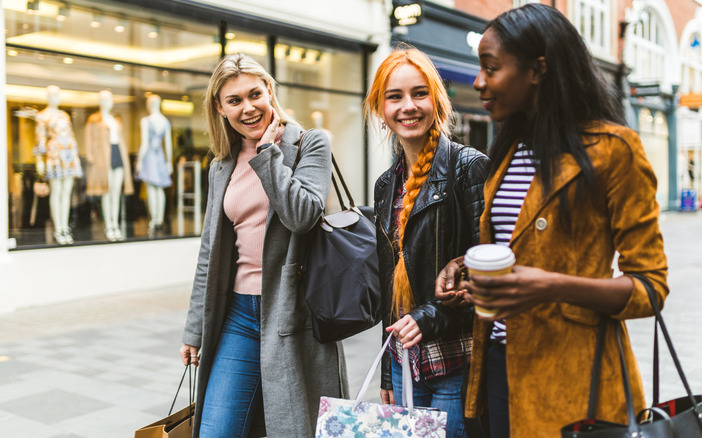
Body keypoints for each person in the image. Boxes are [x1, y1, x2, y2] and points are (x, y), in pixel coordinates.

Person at [435, 5, 669, 437]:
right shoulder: (508, 150)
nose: (479, 81)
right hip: (499, 366)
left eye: (491, 67)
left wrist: (550, 285)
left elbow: (650, 290)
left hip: (576, 377)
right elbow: (521, 242)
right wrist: (464, 263)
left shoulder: (614, 150)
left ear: (538, 70)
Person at [179, 53, 347, 438]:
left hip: (293, 313)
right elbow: (210, 250)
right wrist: (194, 329)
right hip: (238, 315)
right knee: (215, 431)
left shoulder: (310, 144)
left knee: (294, 429)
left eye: (255, 94)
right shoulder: (221, 165)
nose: (248, 107)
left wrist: (268, 155)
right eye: (234, 100)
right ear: (220, 108)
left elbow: (302, 215)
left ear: (270, 91)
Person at [365, 46, 489, 438]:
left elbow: (486, 269)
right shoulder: (386, 185)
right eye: (395, 96)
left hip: (457, 360)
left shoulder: (468, 167)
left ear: (437, 99)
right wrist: (387, 368)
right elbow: (391, 286)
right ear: (380, 108)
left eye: (419, 93)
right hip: (405, 362)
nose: (408, 106)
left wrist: (429, 317)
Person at [34, 85, 83, 245]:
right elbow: (40, 139)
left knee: (66, 193)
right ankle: (58, 228)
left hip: (68, 155)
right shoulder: (42, 116)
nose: (56, 97)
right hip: (54, 156)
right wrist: (39, 161)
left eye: (58, 94)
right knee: (56, 192)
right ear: (47, 96)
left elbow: (71, 136)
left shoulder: (64, 115)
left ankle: (65, 227)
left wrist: (76, 158)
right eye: (53, 94)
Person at [85, 90, 134, 241]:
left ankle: (115, 224)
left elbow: (121, 141)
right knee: (107, 192)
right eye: (104, 99)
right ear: (100, 101)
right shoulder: (94, 120)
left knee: (116, 192)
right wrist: (90, 155)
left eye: (110, 99)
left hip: (117, 154)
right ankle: (108, 225)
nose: (108, 102)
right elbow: (88, 139)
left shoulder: (116, 120)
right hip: (103, 159)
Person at [136, 94, 173, 237]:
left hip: (151, 157)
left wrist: (139, 160)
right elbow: (168, 145)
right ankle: (159, 219)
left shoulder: (146, 121)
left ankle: (154, 220)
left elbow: (145, 143)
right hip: (160, 157)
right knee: (160, 189)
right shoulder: (165, 121)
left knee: (152, 189)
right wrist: (169, 162)